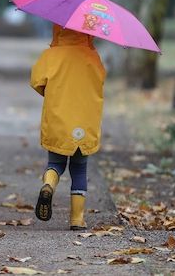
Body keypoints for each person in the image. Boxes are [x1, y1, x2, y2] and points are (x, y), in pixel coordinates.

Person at [31, 24, 106, 230]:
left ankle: (49, 185)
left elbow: (36, 81)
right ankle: (77, 219)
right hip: (85, 122)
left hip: (58, 119)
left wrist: (51, 93)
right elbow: (100, 83)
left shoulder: (51, 55)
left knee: (55, 163)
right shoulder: (93, 57)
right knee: (79, 169)